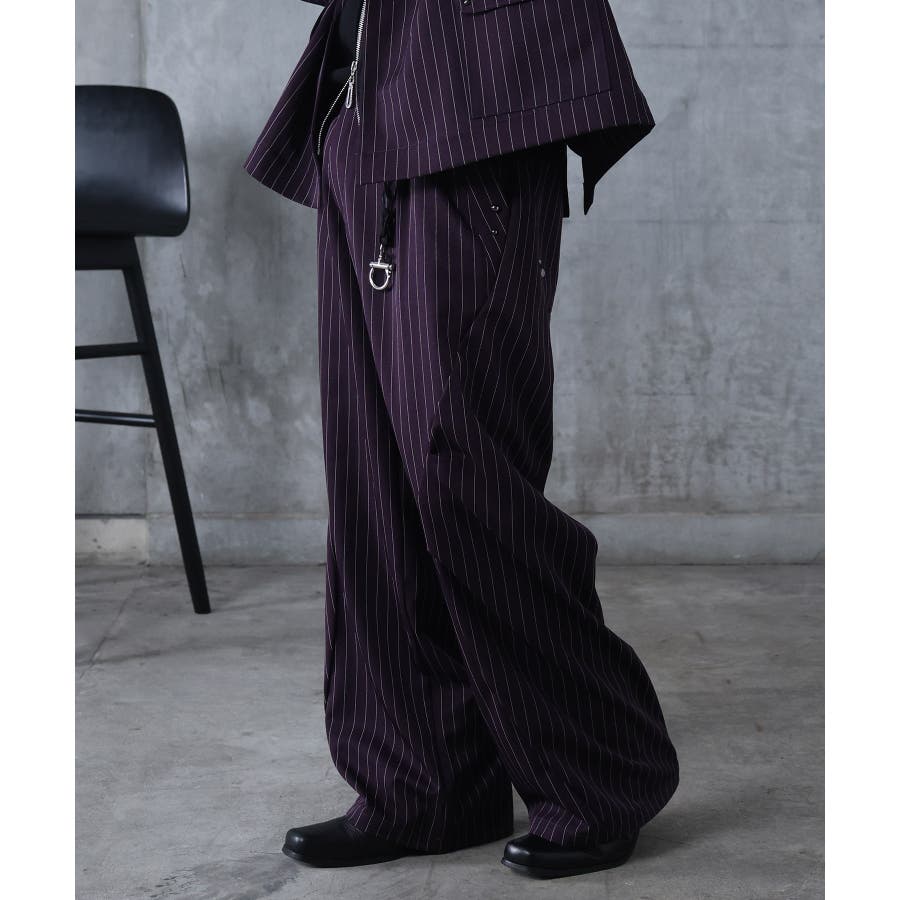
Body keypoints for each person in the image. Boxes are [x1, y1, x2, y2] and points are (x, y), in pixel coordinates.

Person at [244, 0, 679, 880]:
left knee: (462, 474)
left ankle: (602, 774)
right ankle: (425, 784)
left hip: (476, 116)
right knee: (373, 482)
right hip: (360, 121)